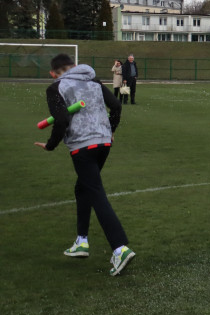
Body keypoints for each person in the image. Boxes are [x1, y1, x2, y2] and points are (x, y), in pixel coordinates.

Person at [34, 53, 135, 276]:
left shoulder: (56, 87)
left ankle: (120, 247)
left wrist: (50, 145)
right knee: (83, 188)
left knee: (95, 192)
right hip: (104, 143)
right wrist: (111, 129)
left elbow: (60, 120)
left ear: (53, 73)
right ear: (75, 66)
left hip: (83, 147)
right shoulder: (94, 81)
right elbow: (117, 106)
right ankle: (81, 241)